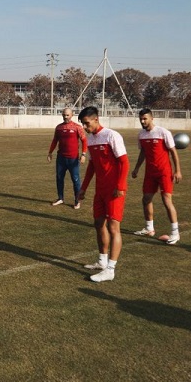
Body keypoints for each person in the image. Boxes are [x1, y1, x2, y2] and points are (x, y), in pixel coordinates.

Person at [77, 106, 129, 283]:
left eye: (86, 123)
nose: (84, 127)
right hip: (100, 190)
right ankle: (102, 261)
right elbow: (92, 166)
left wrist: (120, 186)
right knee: (98, 223)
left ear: (96, 119)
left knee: (114, 227)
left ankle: (110, 269)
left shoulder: (111, 135)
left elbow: (124, 162)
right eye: (83, 124)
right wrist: (83, 188)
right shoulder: (91, 139)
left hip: (114, 190)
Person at [131, 108, 182, 245]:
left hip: (164, 172)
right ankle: (149, 228)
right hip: (150, 173)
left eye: (145, 118)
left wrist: (177, 170)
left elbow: (173, 151)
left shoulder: (163, 132)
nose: (142, 121)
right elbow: (143, 153)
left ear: (152, 118)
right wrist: (136, 168)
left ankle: (175, 233)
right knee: (146, 199)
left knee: (167, 201)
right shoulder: (141, 135)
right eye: (141, 119)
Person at [47, 107, 88, 209]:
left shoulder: (77, 127)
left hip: (73, 159)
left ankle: (77, 200)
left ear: (72, 115)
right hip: (61, 158)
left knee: (75, 180)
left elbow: (84, 141)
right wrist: (50, 153)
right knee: (59, 178)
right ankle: (60, 198)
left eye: (67, 115)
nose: (65, 117)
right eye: (64, 115)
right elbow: (54, 141)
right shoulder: (59, 128)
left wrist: (83, 154)